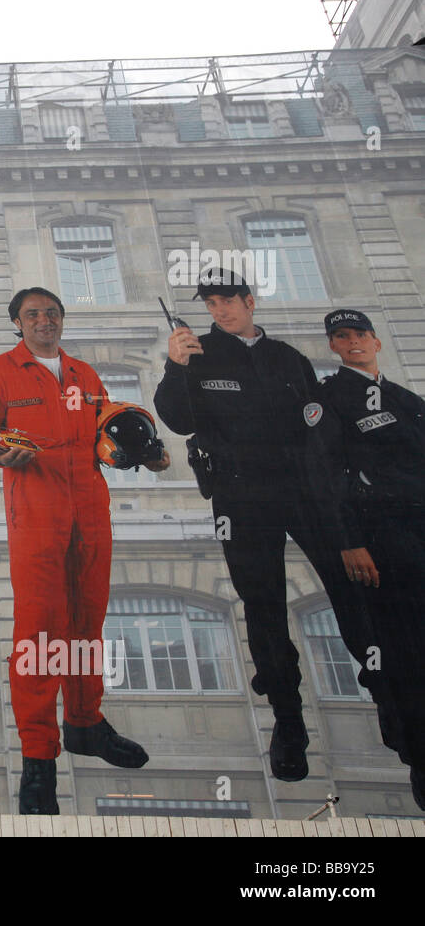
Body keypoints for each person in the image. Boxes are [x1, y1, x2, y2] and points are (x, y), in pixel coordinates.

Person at [153, 270, 380, 784]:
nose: (219, 309)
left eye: (227, 299)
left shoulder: (288, 359)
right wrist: (175, 365)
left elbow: (319, 427)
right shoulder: (197, 354)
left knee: (351, 591)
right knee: (264, 606)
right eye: (211, 303)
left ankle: (388, 691)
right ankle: (289, 722)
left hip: (305, 493)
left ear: (249, 301)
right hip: (241, 494)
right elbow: (179, 419)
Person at [0, 287, 165, 815]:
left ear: (62, 320)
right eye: (33, 314)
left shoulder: (83, 374)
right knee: (39, 629)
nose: (44, 321)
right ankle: (38, 757)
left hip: (90, 505)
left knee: (87, 620)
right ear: (17, 322)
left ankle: (84, 723)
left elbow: (106, 427)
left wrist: (145, 451)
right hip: (35, 504)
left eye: (52, 313)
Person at [311, 309, 425, 806]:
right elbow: (326, 474)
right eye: (342, 337)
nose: (352, 342)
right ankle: (417, 754)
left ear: (376, 342)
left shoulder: (407, 400)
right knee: (401, 652)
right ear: (334, 347)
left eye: (359, 335)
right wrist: (348, 539)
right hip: (384, 543)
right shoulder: (331, 399)